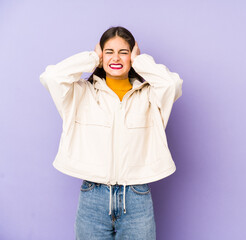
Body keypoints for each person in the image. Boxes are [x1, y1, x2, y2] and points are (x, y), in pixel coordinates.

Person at [40, 26, 183, 239]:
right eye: (109, 52)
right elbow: (51, 77)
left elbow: (172, 84)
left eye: (123, 52)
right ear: (101, 57)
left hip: (136, 197)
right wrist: (91, 58)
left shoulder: (149, 97)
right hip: (93, 198)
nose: (116, 58)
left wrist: (141, 62)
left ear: (132, 56)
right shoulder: (81, 94)